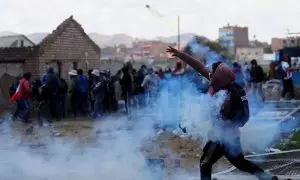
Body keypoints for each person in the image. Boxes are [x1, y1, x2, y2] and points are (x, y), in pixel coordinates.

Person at [166, 46, 278, 180]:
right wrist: (180, 54)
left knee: (205, 163)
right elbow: (199, 67)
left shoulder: (226, 94)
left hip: (221, 138)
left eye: (212, 73)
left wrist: (191, 124)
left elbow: (214, 114)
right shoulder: (225, 83)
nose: (209, 75)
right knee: (241, 164)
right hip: (231, 136)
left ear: (219, 76)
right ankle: (268, 178)